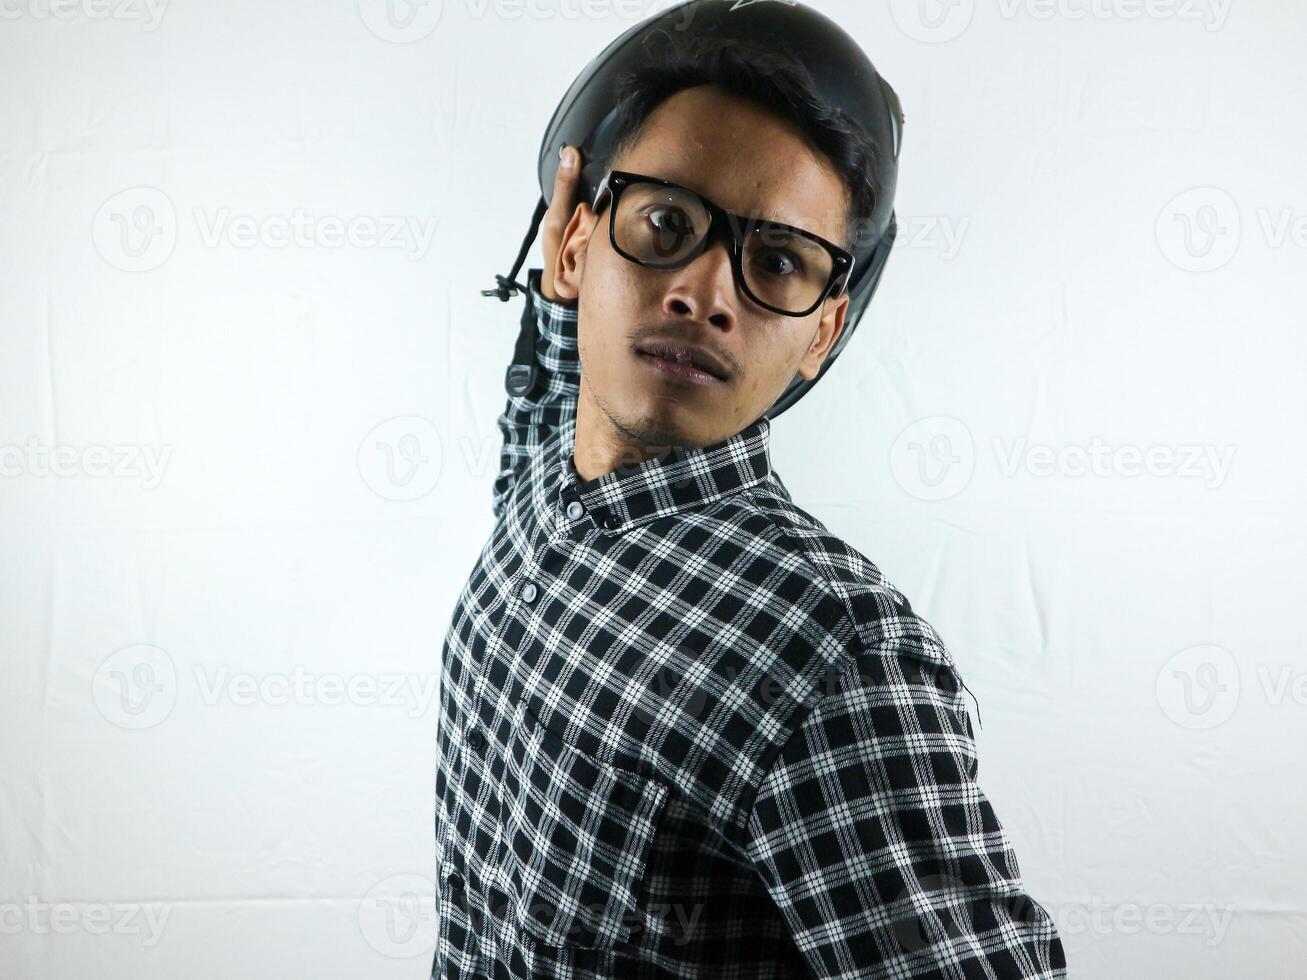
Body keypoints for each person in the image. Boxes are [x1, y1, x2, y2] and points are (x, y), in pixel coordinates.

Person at [434, 34, 1067, 979]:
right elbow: (550, 388)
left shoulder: (829, 660)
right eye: (664, 224)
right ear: (572, 247)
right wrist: (558, 293)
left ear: (823, 333)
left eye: (775, 263)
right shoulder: (548, 480)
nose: (701, 294)